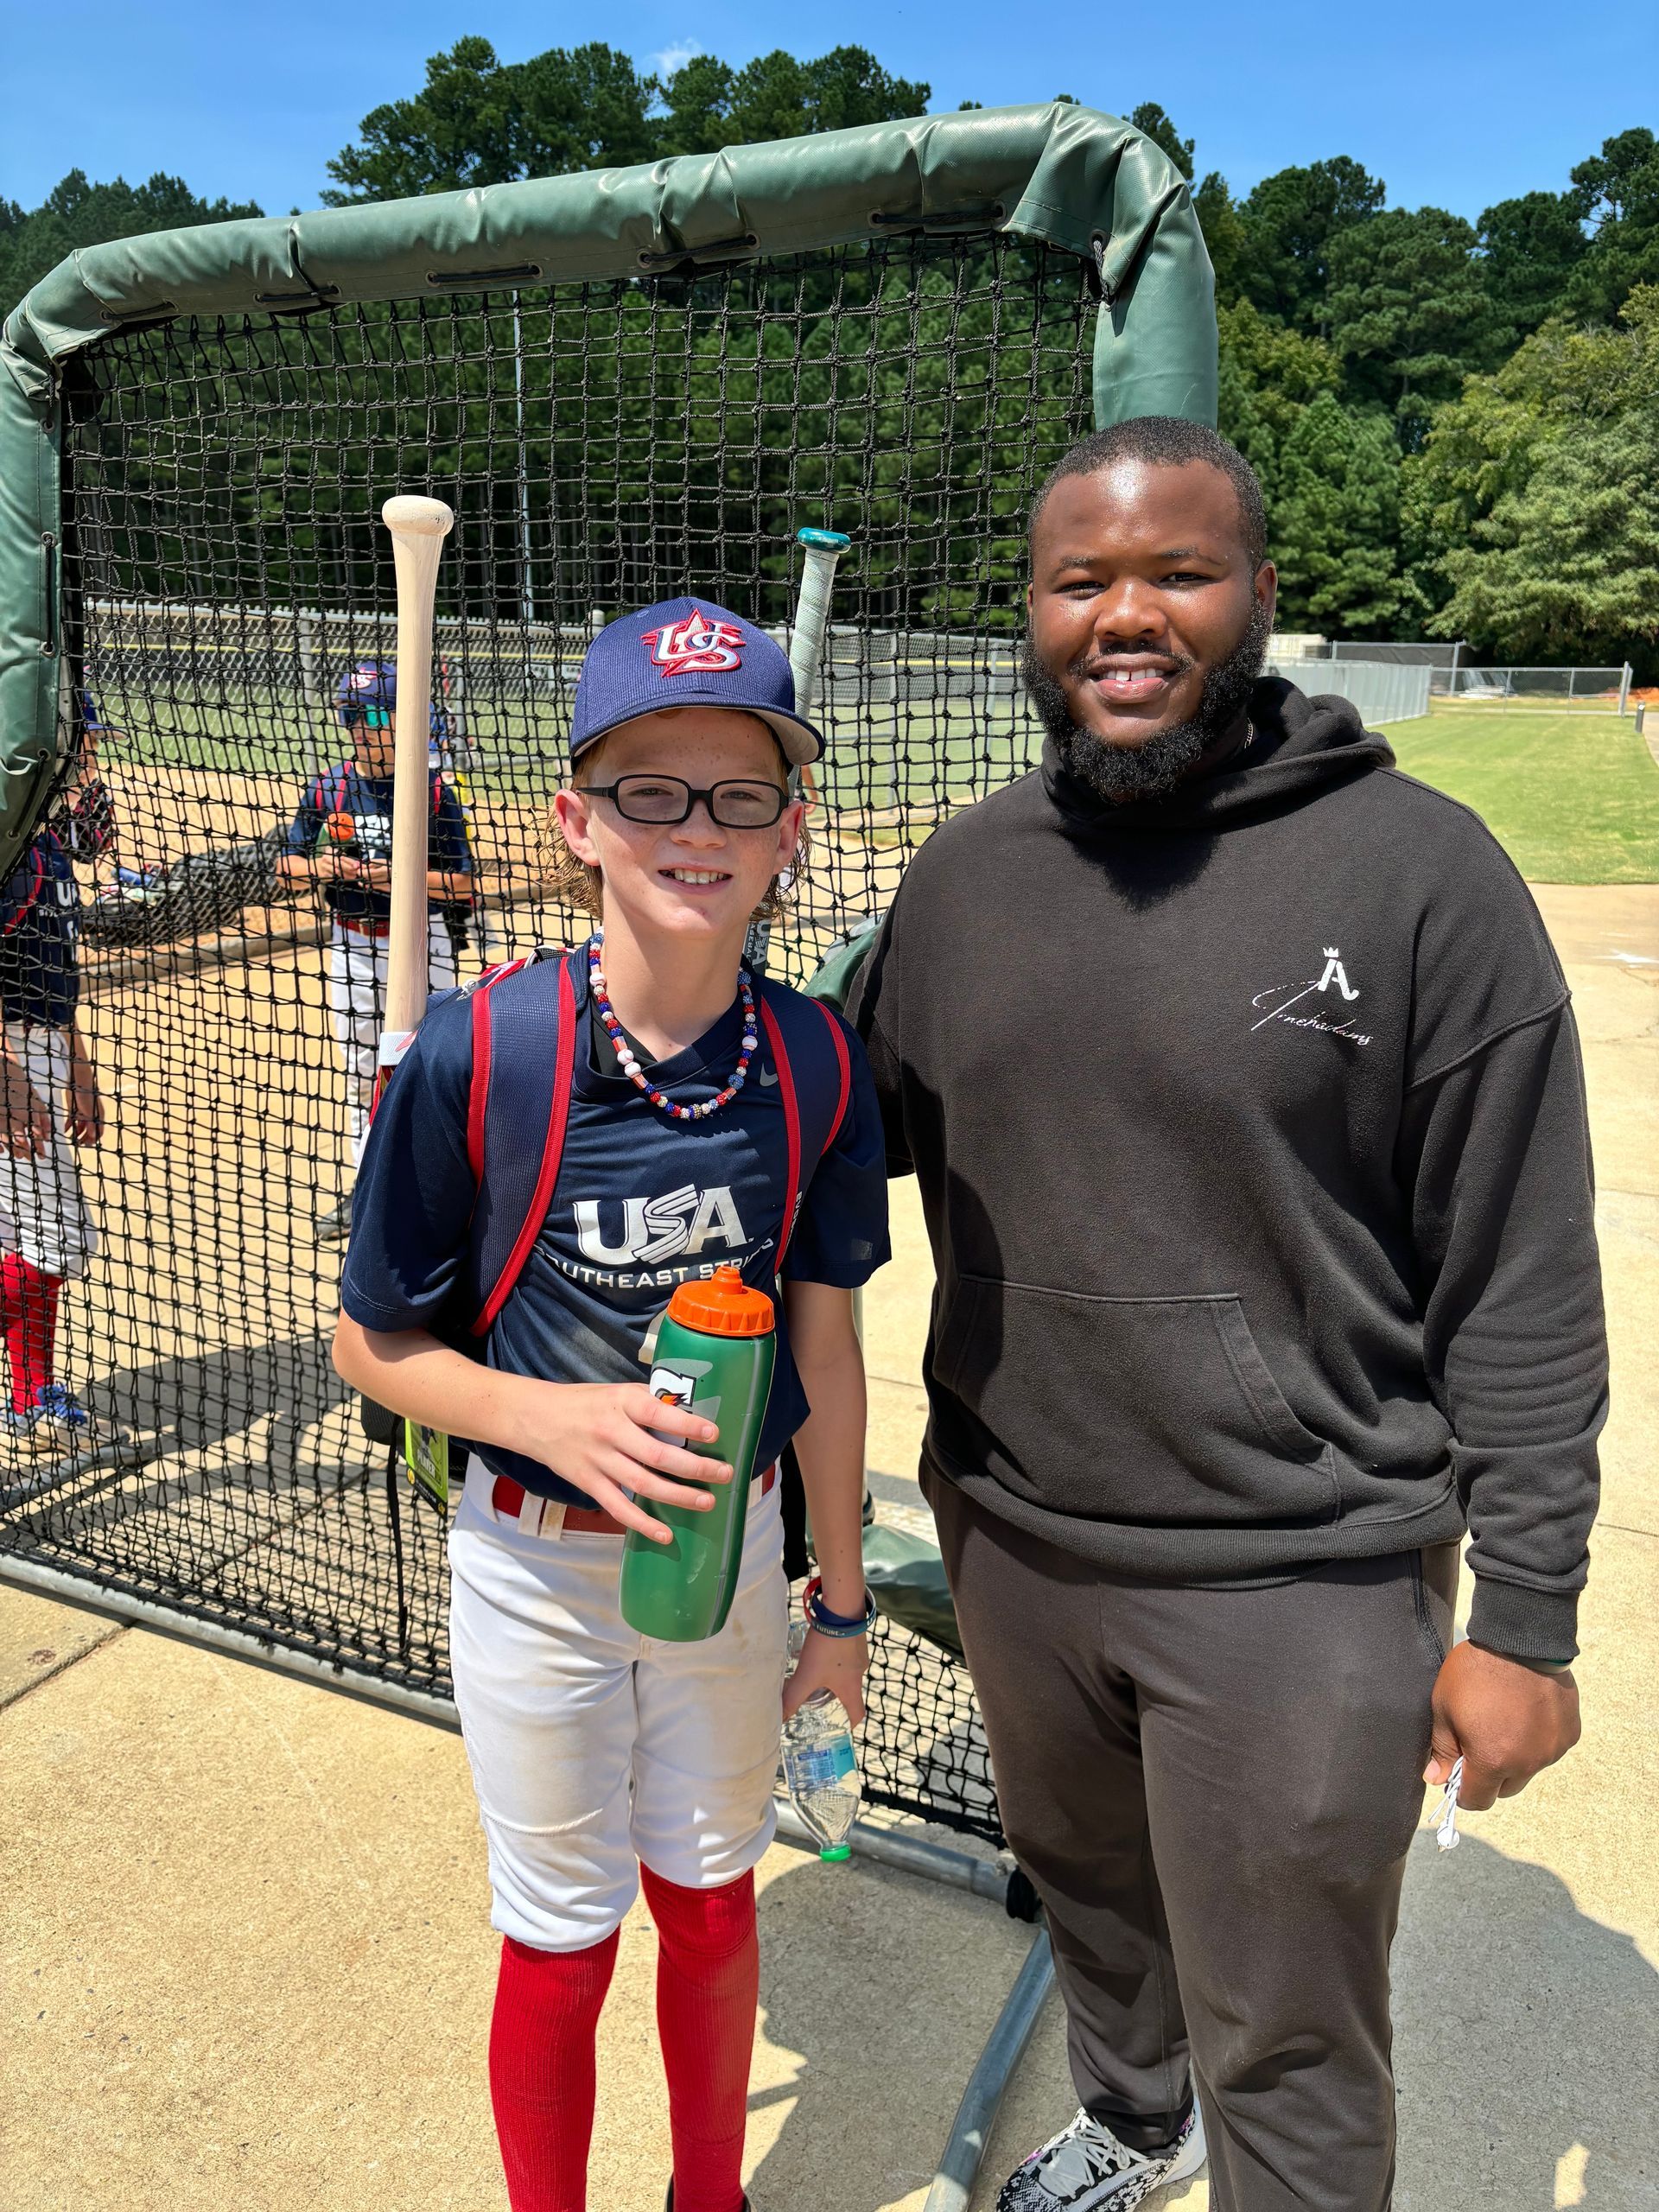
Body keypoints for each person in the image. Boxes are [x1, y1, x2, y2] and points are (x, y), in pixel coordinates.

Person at [851, 418, 1605, 2212]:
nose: (1126, 614)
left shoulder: (1422, 874)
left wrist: (1534, 1615)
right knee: (1097, 1904)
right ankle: (1131, 2115)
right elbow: (827, 1138)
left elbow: (1521, 1269)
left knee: (1290, 2024)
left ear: (1263, 595)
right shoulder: (965, 875)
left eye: (1178, 571)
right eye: (1079, 579)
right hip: (1019, 1538)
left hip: (1302, 1574)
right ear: (1029, 611)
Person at [332, 598, 888, 2212]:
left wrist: (838, 1605)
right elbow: (374, 1346)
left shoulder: (815, 1063)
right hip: (531, 1567)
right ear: (576, 820)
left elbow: (829, 1360)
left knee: (713, 1902)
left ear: (792, 832)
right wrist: (542, 1417)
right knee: (562, 1932)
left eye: (739, 794)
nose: (695, 829)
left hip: (734, 1558)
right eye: (651, 789)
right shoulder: (482, 1049)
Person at [277, 660, 474, 1243]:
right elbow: (284, 868)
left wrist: (402, 877)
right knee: (360, 1071)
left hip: (421, 943)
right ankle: (370, 1189)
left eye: (378, 713)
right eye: (354, 714)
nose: (364, 726)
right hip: (353, 945)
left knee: (433, 1063)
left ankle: (439, 1190)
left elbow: (463, 884)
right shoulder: (328, 787)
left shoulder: (431, 790)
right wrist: (322, 866)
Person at [0, 814, 141, 1461]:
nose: (90, 771)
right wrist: (7, 1075)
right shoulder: (10, 836)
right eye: (83, 753)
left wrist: (77, 1063)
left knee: (18, 1234)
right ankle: (32, 1401)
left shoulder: (46, 840)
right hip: (12, 1057)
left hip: (43, 1048)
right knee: (58, 1239)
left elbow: (54, 971)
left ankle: (32, 1402)